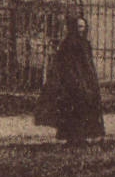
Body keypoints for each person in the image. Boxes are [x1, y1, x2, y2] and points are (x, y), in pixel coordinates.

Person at [38, 15, 105, 144]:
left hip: (85, 80)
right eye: (79, 26)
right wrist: (76, 81)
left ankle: (84, 135)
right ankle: (73, 137)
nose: (82, 29)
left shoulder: (85, 43)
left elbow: (88, 64)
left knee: (87, 107)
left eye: (84, 27)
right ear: (73, 27)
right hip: (72, 82)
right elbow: (66, 66)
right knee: (74, 109)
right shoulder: (68, 44)